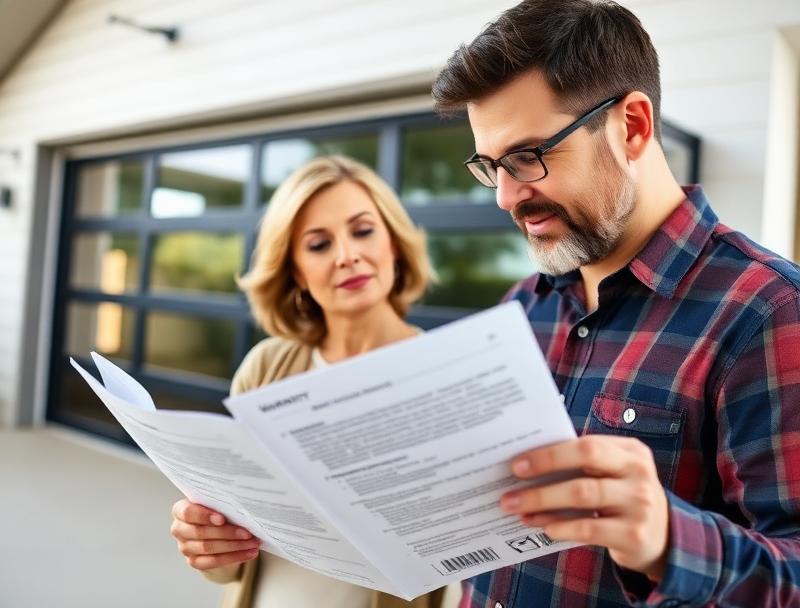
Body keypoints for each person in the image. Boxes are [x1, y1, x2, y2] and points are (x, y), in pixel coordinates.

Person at [431, 1, 800, 606]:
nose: (505, 197)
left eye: (527, 157)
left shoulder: (768, 310)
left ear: (631, 125)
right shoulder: (521, 309)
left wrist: (666, 538)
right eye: (491, 166)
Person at [168, 155, 445, 608]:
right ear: (295, 269)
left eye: (362, 230)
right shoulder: (266, 368)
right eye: (318, 245)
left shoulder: (443, 375)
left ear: (393, 242)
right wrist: (207, 544)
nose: (347, 255)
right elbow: (227, 565)